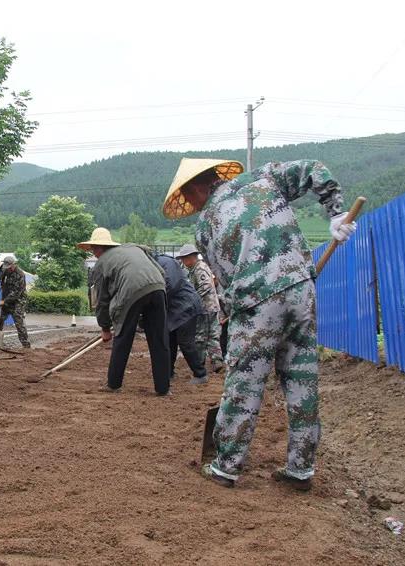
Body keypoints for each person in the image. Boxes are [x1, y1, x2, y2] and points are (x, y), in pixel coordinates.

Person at [163, 157, 356, 490]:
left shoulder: (205, 227)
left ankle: (226, 466)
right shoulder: (264, 179)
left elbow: (224, 280)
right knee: (301, 380)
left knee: (245, 384)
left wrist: (232, 318)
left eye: (189, 198)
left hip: (255, 304)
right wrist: (335, 211)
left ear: (196, 187)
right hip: (301, 290)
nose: (192, 206)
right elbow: (313, 168)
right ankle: (301, 469)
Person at [78, 228, 171, 395]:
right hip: (158, 287)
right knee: (159, 339)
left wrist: (105, 328)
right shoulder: (133, 248)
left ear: (98, 248)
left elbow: (101, 300)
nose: (93, 252)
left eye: (93, 249)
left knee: (123, 338)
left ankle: (113, 384)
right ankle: (163, 389)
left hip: (131, 291)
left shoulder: (101, 264)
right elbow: (161, 272)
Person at [156, 253, 207, 384]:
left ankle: (200, 374)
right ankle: (169, 372)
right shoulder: (158, 264)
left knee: (185, 342)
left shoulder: (166, 262)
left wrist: (156, 300)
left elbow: (171, 285)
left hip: (186, 306)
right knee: (170, 340)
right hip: (176, 309)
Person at [176, 244, 225, 373]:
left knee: (201, 336)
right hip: (211, 307)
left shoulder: (199, 269)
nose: (183, 262)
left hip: (205, 308)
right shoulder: (196, 268)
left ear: (191, 257)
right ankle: (217, 361)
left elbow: (206, 286)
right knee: (212, 335)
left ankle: (200, 363)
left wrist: (193, 299)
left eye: (184, 259)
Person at [0, 255, 31, 349]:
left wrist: (4, 301)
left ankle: (26, 345)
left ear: (14, 264)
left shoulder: (20, 274)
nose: (8, 268)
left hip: (19, 299)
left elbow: (17, 292)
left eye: (9, 266)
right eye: (6, 266)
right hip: (6, 297)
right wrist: (1, 281)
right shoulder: (4, 268)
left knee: (18, 320)